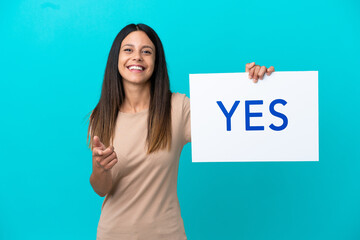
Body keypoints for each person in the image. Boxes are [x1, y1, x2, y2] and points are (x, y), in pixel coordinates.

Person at [87, 23, 275, 240]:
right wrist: (100, 169)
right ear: (116, 59)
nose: (137, 57)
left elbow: (232, 123)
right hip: (112, 234)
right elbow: (102, 189)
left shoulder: (179, 108)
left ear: (156, 62)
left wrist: (254, 86)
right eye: (128, 50)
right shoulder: (101, 115)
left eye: (146, 51)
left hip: (167, 234)